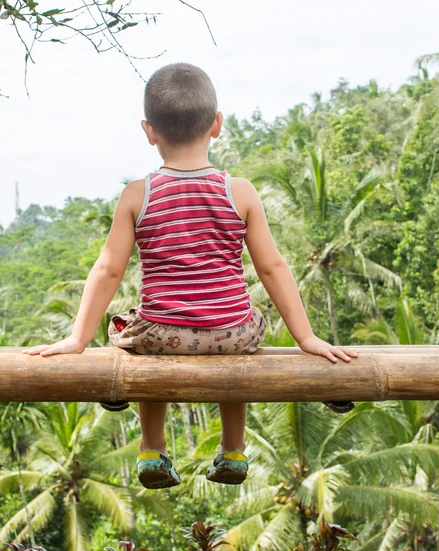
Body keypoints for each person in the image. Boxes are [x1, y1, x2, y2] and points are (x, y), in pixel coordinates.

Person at [22, 63, 359, 490]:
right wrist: (306, 339)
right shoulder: (239, 191)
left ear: (149, 130)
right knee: (237, 337)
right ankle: (233, 449)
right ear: (216, 124)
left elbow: (108, 269)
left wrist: (77, 340)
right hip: (232, 333)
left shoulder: (137, 194)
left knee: (133, 333)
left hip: (162, 335)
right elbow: (272, 267)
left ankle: (152, 450)